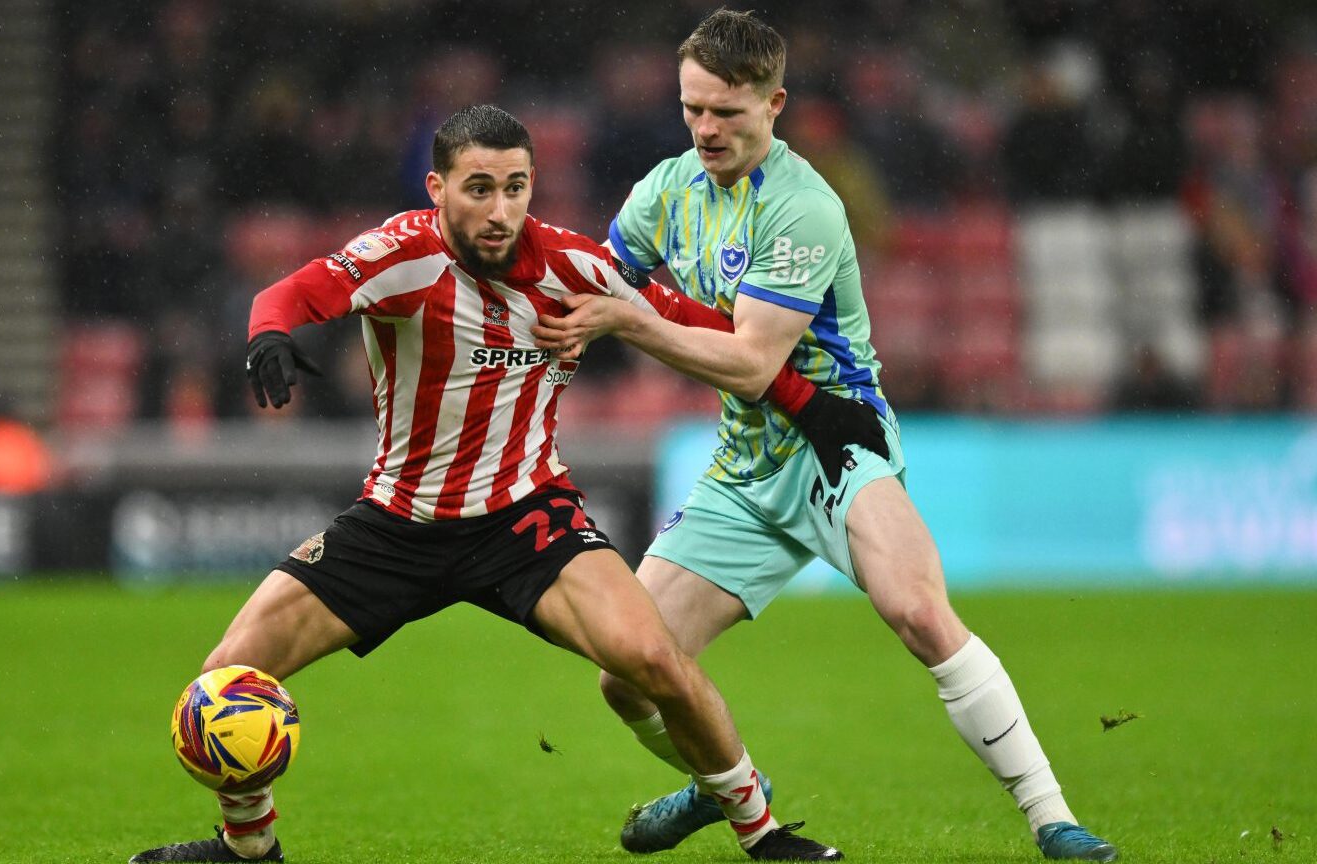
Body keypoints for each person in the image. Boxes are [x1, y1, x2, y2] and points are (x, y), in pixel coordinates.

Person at [129, 105, 845, 863]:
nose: (500, 210)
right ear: (437, 188)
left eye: (515, 187)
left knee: (657, 662)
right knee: (224, 682)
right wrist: (269, 335)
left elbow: (716, 336)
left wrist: (813, 408)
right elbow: (291, 294)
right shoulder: (403, 254)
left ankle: (762, 834)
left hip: (526, 519)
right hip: (397, 522)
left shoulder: (580, 268)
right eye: (478, 189)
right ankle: (250, 850)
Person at [531, 11, 1119, 863]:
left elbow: (749, 363)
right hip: (744, 467)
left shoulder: (805, 208)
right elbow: (596, 278)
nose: (705, 129)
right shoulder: (665, 190)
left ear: (774, 104)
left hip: (838, 447)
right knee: (625, 677)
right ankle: (722, 785)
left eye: (726, 113)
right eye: (693, 108)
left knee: (918, 612)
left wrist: (626, 322)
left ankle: (1052, 817)